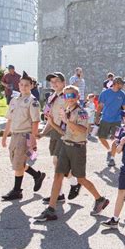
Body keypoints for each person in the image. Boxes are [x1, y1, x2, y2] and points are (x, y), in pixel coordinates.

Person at [34, 85, 110, 221]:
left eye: (72, 95)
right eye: (66, 96)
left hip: (77, 148)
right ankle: (51, 209)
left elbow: (82, 130)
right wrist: (52, 123)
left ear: (78, 97)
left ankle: (100, 199)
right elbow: (65, 132)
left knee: (80, 178)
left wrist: (67, 121)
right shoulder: (67, 111)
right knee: (58, 176)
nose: (69, 98)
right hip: (65, 145)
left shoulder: (81, 112)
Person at [1, 72, 46, 201]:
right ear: (18, 85)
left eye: (27, 85)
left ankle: (17, 191)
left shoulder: (33, 101)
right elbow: (9, 119)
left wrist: (33, 139)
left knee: (18, 164)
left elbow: (35, 121)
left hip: (25, 135)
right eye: (21, 84)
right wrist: (4, 136)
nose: (23, 87)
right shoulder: (14, 100)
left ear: (31, 86)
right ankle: (37, 175)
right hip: (14, 135)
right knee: (17, 163)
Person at [39, 71, 81, 203]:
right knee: (56, 163)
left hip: (65, 133)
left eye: (57, 81)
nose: (54, 83)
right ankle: (71, 186)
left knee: (58, 164)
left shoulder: (67, 98)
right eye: (52, 82)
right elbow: (51, 120)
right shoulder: (52, 97)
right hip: (55, 133)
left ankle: (60, 193)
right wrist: (42, 133)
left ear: (64, 83)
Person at [96, 77, 125, 167]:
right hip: (105, 119)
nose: (123, 85)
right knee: (101, 137)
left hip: (117, 120)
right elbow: (100, 106)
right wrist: (97, 117)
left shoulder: (122, 94)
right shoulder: (105, 93)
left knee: (116, 139)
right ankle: (109, 150)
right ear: (116, 83)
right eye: (121, 83)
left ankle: (112, 159)